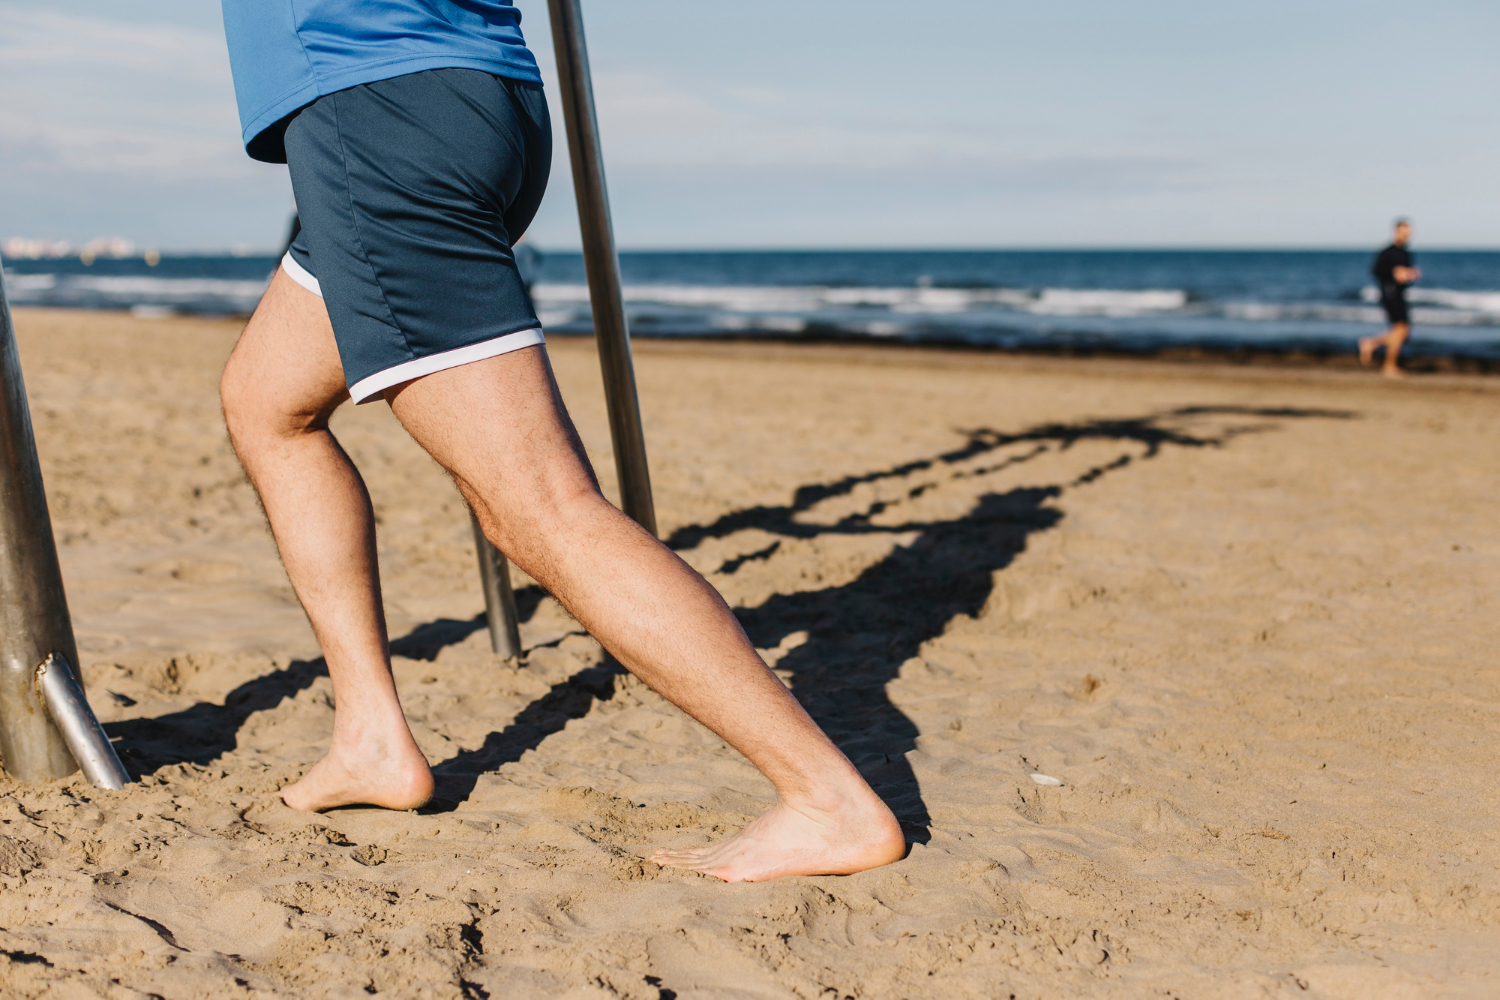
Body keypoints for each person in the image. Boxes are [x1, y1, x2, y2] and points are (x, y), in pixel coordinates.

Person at [214, 0, 904, 883]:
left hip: (377, 110)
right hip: (472, 93)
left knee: (539, 508)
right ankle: (370, 738)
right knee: (266, 403)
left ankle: (827, 799)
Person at [1359, 219, 1421, 378]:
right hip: (1388, 293)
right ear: (1396, 232)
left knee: (1401, 332)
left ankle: (1374, 346)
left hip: (1399, 294)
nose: (1406, 234)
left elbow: (1405, 277)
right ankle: (1386, 362)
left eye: (1408, 232)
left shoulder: (1406, 253)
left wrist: (1411, 275)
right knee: (1401, 330)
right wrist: (1393, 273)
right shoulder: (1387, 252)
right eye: (1404, 231)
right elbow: (1376, 271)